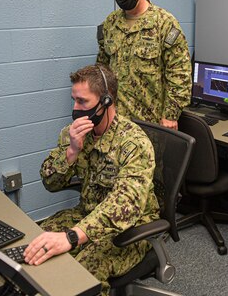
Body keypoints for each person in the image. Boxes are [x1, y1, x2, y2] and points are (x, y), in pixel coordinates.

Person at [23, 64, 159, 296]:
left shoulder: (134, 143)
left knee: (82, 275)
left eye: (83, 102)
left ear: (106, 102)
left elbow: (125, 207)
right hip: (87, 213)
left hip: (131, 228)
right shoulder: (72, 134)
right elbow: (50, 183)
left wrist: (72, 237)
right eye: (73, 100)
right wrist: (72, 152)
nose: (75, 109)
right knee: (33, 244)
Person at [97, 0, 192, 130]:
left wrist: (170, 115)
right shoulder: (110, 23)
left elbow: (180, 74)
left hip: (150, 122)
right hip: (115, 120)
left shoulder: (164, 23)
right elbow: (102, 69)